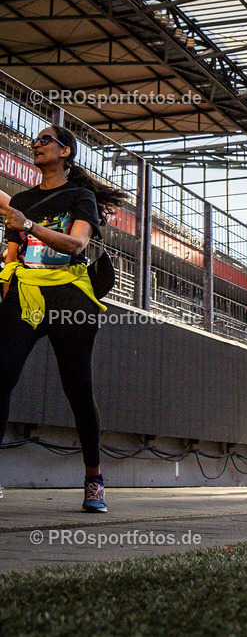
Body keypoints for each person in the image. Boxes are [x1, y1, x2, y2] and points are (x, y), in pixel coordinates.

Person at [1, 126, 129, 513]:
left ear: (66, 151)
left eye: (45, 140)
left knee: (77, 388)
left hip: (68, 299)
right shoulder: (22, 198)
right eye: (34, 141)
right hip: (24, 294)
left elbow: (76, 244)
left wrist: (27, 224)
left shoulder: (80, 196)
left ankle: (94, 477)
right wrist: (5, 281)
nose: (36, 144)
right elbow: (12, 253)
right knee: (0, 377)